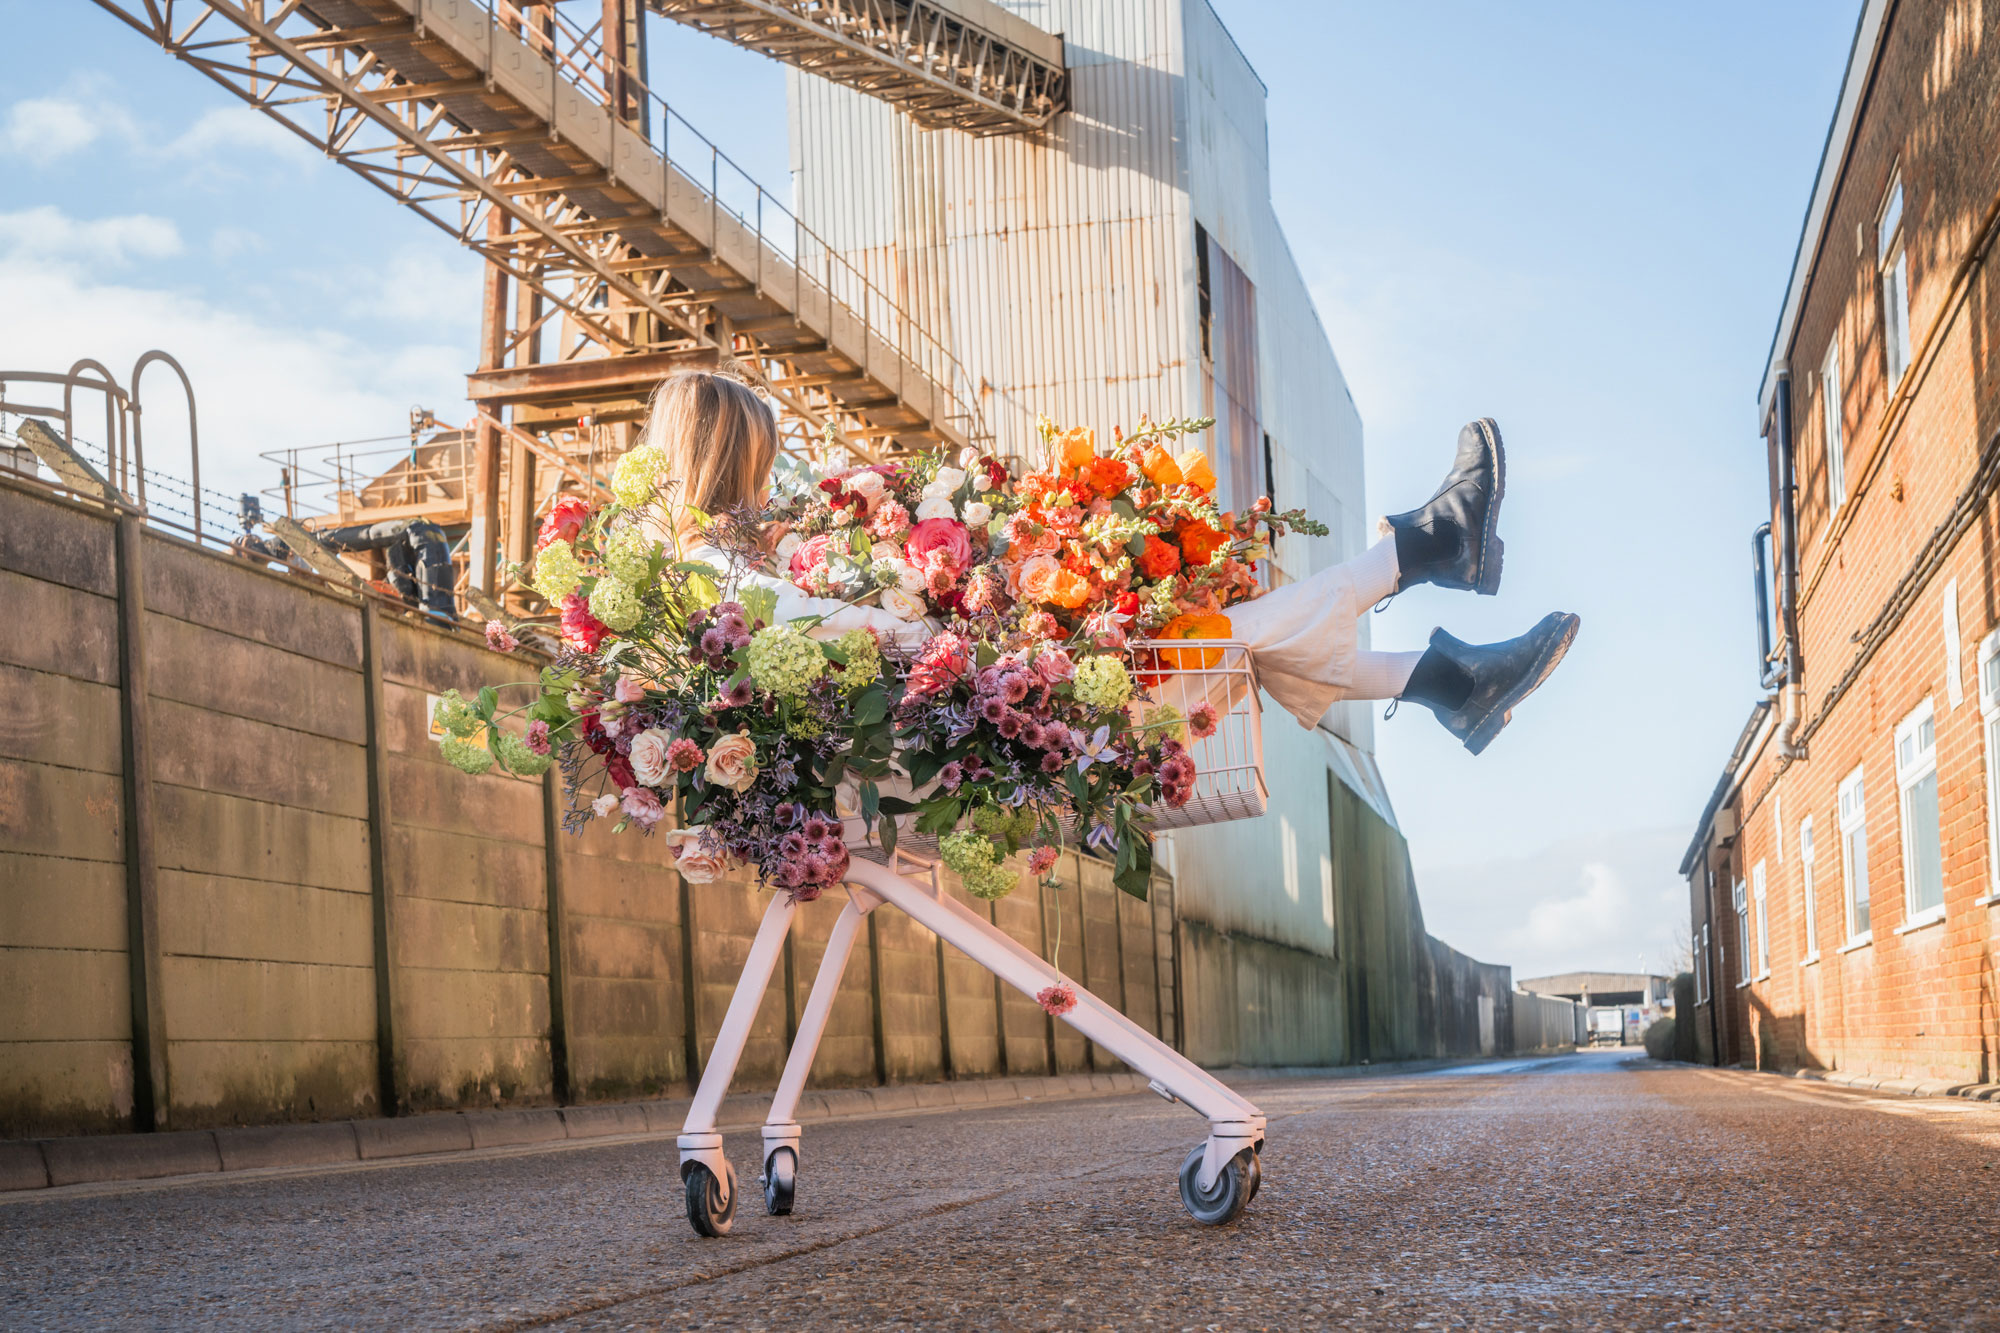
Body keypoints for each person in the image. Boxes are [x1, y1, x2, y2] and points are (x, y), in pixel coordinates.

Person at [639, 370, 1576, 754]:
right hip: (988, 707)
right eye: (759, 467)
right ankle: (1424, 554)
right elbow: (840, 627)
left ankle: (1444, 670)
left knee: (1233, 636)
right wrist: (936, 614)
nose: (768, 490)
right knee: (1231, 634)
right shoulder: (710, 572)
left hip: (984, 686)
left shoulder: (722, 563)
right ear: (725, 463)